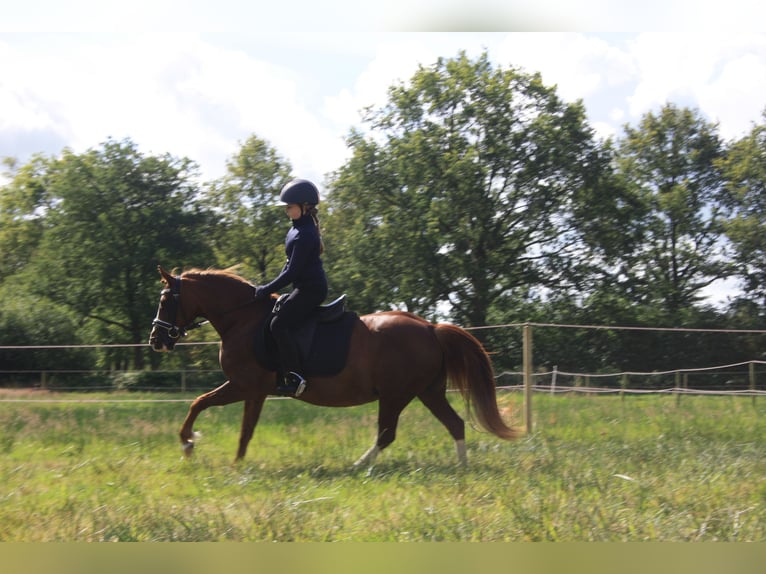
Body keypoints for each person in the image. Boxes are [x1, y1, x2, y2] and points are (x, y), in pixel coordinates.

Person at [254, 178, 328, 396]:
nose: (287, 211)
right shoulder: (295, 230)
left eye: (289, 207)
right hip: (301, 288)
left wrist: (266, 289)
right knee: (274, 315)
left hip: (311, 290)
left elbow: (292, 273)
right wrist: (268, 288)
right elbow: (288, 268)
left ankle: (296, 376)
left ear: (305, 207)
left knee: (278, 325)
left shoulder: (305, 234)